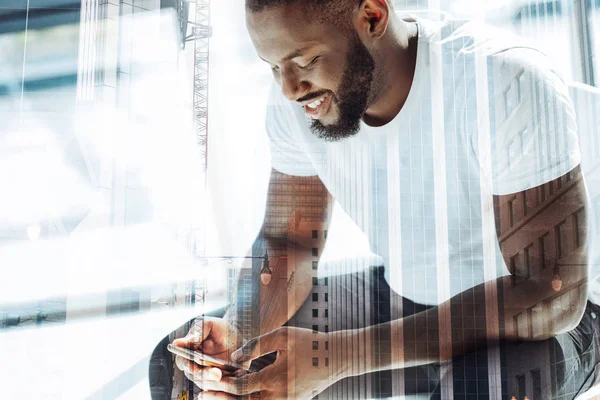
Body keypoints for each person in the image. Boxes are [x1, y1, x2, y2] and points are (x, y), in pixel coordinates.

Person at [172, 0, 600, 399]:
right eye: (273, 67)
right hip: (407, 298)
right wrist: (239, 329)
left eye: (304, 62)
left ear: (373, 16)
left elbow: (549, 292)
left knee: (479, 389)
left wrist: (340, 356)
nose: (288, 89)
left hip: (546, 326)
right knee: (191, 376)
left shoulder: (503, 79)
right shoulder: (300, 101)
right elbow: (290, 244)